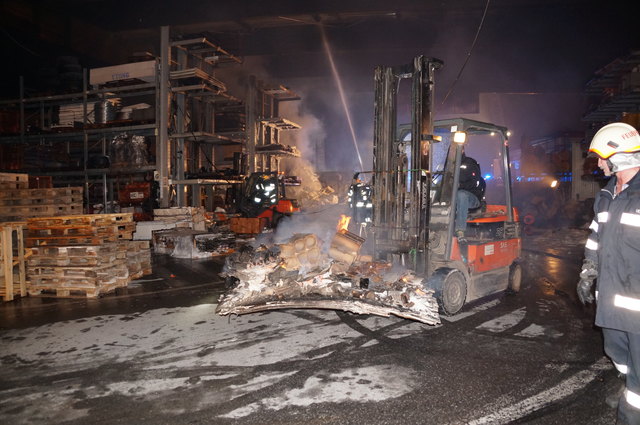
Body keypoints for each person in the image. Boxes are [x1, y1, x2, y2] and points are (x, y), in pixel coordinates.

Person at [577, 122, 640, 424]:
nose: (599, 163)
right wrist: (589, 270)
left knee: (637, 387)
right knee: (616, 352)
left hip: (638, 308)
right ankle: (630, 385)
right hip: (612, 302)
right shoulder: (606, 195)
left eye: (603, 157)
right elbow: (595, 236)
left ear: (621, 156)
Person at [455, 151, 486, 242]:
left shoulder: (469, 163)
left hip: (472, 197)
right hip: (454, 197)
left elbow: (475, 182)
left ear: (462, 150)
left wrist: (460, 185)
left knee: (461, 194)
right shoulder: (449, 165)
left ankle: (460, 231)